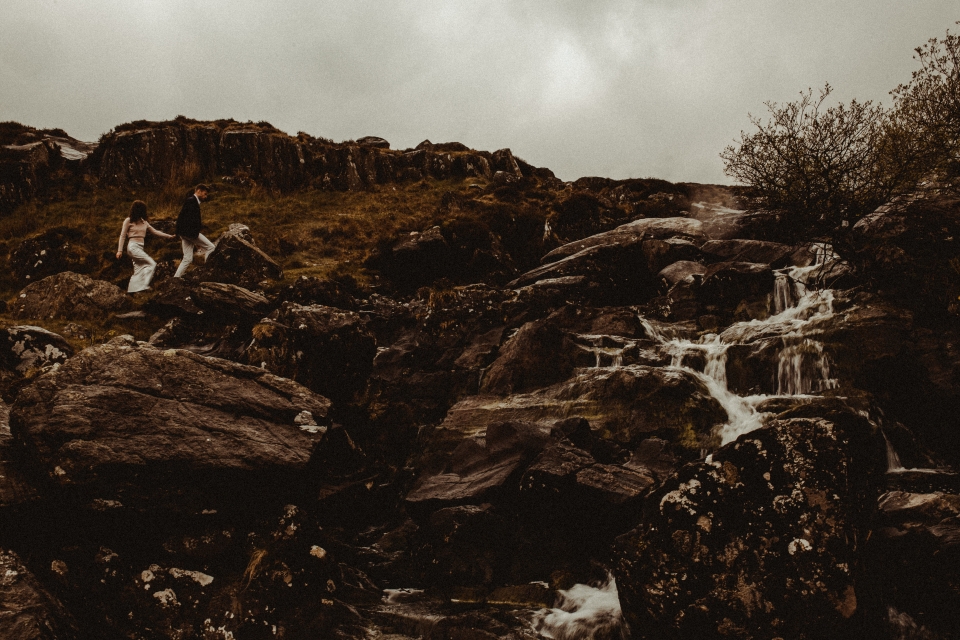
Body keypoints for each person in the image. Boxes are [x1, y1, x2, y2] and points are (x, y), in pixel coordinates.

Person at [116, 200, 175, 293]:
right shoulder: (128, 220)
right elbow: (122, 235)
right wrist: (119, 251)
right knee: (152, 264)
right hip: (132, 246)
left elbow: (155, 232)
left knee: (139, 269)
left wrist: (169, 236)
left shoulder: (144, 222)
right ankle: (144, 285)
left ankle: (132, 290)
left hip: (139, 247)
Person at [174, 183, 215, 278]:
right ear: (198, 191)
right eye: (205, 194)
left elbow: (181, 217)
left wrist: (178, 232)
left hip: (185, 233)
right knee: (211, 247)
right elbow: (185, 218)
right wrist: (195, 236)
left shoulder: (191, 201)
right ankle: (207, 271)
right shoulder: (192, 201)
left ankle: (175, 278)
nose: (205, 197)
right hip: (190, 233)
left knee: (187, 258)